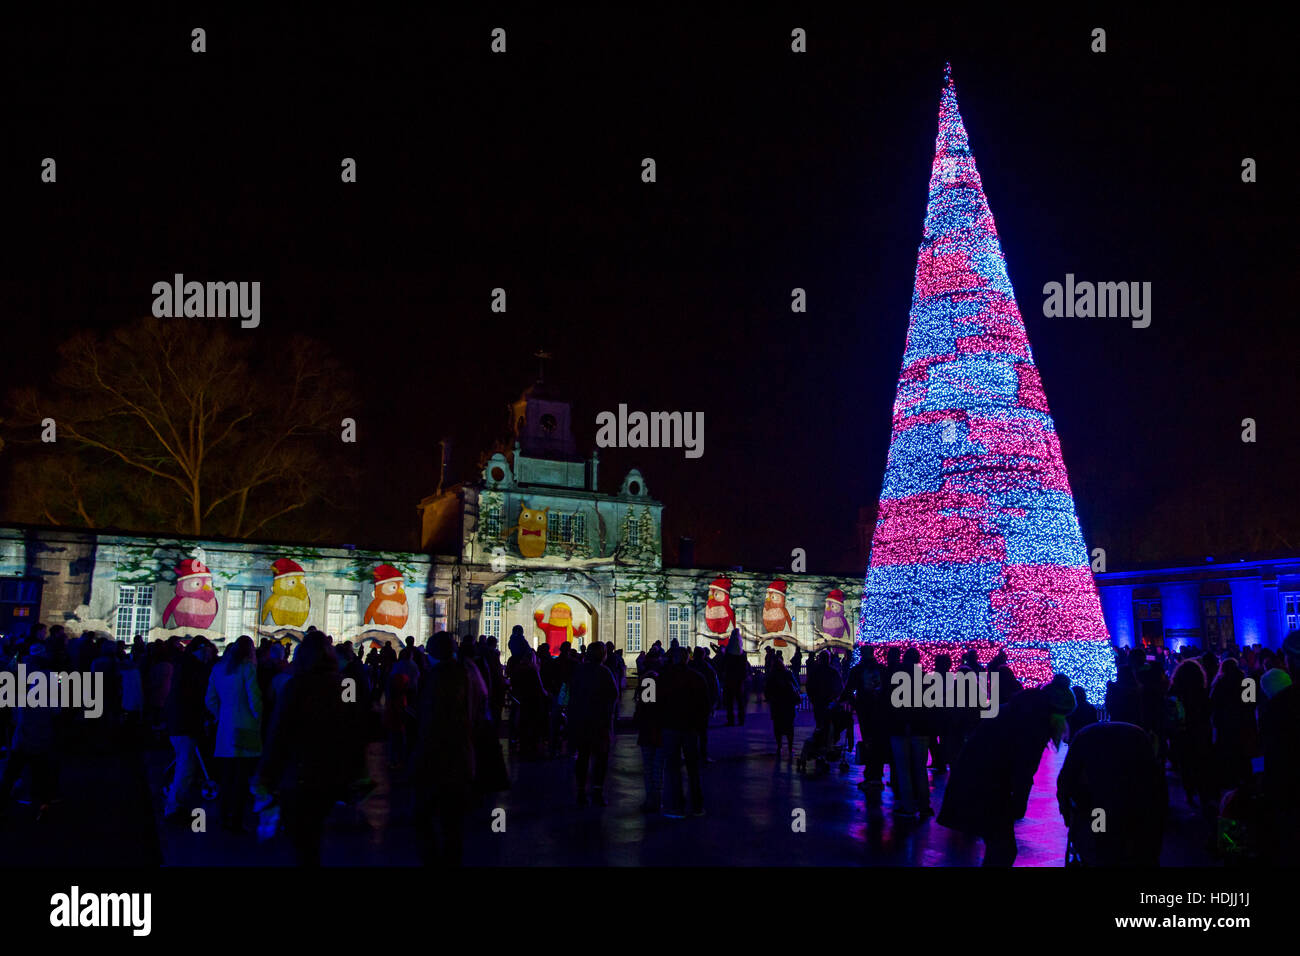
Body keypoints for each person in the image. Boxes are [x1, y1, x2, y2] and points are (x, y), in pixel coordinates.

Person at [937, 673, 1076, 865]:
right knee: (1003, 848)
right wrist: (1019, 803)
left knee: (999, 846)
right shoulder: (1035, 725)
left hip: (976, 780)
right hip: (988, 787)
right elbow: (1024, 768)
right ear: (1056, 713)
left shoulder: (1015, 711)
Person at [256, 631, 349, 865]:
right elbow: (350, 726)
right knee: (313, 836)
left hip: (299, 773)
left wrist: (266, 776)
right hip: (329, 774)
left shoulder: (295, 686)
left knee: (302, 842)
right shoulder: (341, 686)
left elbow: (279, 733)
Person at [1057, 720, 1166, 865]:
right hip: (1135, 803)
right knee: (1137, 842)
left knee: (1101, 839)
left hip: (1097, 806)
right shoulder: (1137, 735)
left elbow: (1066, 778)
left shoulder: (1084, 736)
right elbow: (1155, 779)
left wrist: (1067, 810)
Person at [411, 632, 474, 866]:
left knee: (423, 818)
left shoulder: (437, 678)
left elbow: (432, 723)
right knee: (452, 824)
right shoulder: (464, 674)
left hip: (437, 761)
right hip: (460, 758)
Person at [205, 635, 262, 832]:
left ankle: (223, 815)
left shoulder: (218, 669)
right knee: (241, 777)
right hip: (246, 727)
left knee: (227, 776)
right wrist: (259, 718)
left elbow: (210, 699)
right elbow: (254, 699)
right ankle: (236, 819)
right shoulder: (247, 668)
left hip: (225, 728)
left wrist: (220, 716)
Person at [162, 637, 214, 823]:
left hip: (177, 722)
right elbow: (197, 698)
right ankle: (174, 807)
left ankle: (175, 803)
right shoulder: (194, 669)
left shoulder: (183, 666)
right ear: (202, 649)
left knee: (185, 765)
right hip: (185, 724)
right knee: (185, 767)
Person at [569, 642, 620, 806]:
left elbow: (572, 693)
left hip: (581, 721)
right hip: (599, 722)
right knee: (600, 758)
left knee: (582, 757)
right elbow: (614, 695)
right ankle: (597, 791)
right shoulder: (604, 672)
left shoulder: (579, 670)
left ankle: (581, 792)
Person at [660, 646, 708, 818]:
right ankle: (697, 806)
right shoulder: (696, 677)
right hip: (690, 727)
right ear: (688, 659)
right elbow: (705, 704)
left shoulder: (664, 677)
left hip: (670, 726)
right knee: (693, 768)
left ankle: (675, 806)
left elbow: (652, 700)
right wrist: (701, 725)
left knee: (672, 768)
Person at [635, 648, 666, 812]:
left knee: (649, 768)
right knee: (658, 768)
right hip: (660, 730)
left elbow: (646, 708)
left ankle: (651, 799)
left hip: (649, 731)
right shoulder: (663, 679)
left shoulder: (649, 681)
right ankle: (658, 799)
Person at [765, 654, 800, 759]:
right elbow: (796, 686)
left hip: (777, 705)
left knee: (778, 727)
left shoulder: (772, 676)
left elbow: (767, 691)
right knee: (790, 727)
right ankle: (790, 747)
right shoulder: (788, 674)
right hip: (788, 704)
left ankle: (779, 746)